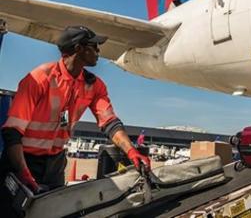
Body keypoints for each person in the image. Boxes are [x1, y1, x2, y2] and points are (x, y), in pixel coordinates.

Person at [0, 25, 150, 214]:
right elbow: (12, 131)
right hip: (22, 161)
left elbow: (109, 122)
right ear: (78, 49)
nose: (98, 51)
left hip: (54, 164)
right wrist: (23, 171)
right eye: (94, 46)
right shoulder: (39, 79)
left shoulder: (94, 86)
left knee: (53, 213)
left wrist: (132, 151)